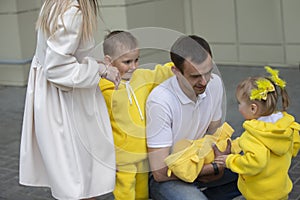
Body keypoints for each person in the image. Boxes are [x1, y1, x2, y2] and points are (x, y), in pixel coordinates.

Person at [19, 1, 120, 199]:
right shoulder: (73, 11)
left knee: (78, 180)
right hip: (66, 104)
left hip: (55, 99)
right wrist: (100, 69)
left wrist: (93, 64)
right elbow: (57, 69)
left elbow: (58, 59)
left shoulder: (57, 4)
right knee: (81, 181)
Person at [146, 35, 241, 200]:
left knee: (261, 170)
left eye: (208, 72)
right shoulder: (160, 101)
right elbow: (159, 172)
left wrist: (219, 160)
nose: (204, 82)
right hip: (169, 174)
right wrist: (213, 168)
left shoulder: (214, 83)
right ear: (176, 72)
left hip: (202, 160)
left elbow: (215, 132)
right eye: (195, 76)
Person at [99, 30, 174, 200]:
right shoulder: (102, 88)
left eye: (136, 60)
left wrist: (180, 63)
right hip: (122, 156)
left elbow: (161, 73)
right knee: (125, 192)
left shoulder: (141, 77)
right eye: (127, 62)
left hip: (144, 151)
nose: (133, 66)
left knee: (142, 192)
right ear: (109, 62)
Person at [214, 66, 300, 199]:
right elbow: (294, 148)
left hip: (259, 194)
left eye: (239, 103)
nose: (238, 107)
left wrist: (230, 160)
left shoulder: (254, 134)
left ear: (253, 108)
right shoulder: (287, 126)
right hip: (280, 190)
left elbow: (255, 163)